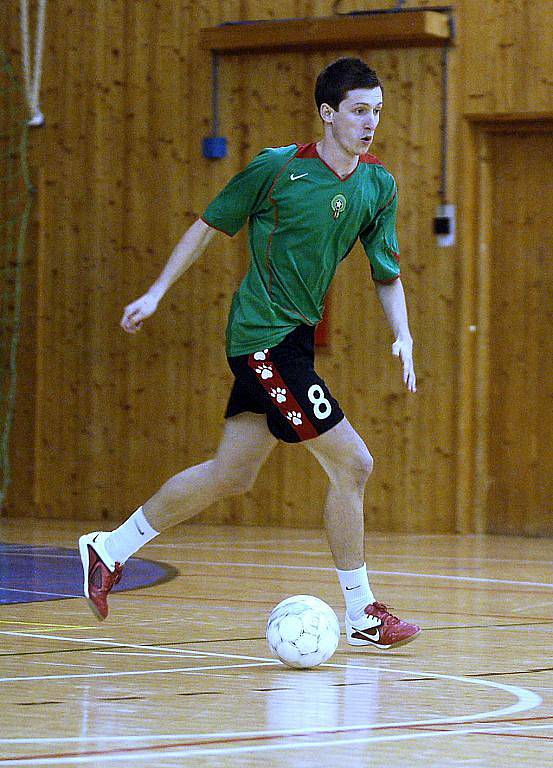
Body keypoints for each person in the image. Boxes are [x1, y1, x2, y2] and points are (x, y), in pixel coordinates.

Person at [79, 57, 421, 650]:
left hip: (292, 344)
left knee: (231, 474)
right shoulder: (278, 169)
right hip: (261, 341)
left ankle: (108, 549)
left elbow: (385, 273)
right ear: (327, 114)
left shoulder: (377, 185)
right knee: (353, 464)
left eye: (377, 112)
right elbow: (209, 226)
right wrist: (156, 292)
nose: (370, 123)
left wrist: (404, 334)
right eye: (359, 111)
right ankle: (362, 613)